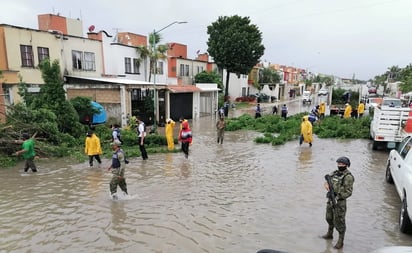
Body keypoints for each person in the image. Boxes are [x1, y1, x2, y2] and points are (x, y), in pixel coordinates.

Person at [321, 156, 354, 249]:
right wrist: (326, 185)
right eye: (339, 164)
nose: (340, 165)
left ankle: (340, 241)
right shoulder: (334, 173)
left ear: (347, 165)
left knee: (339, 221)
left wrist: (337, 197)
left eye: (342, 164)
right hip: (330, 200)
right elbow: (327, 180)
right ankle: (329, 234)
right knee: (329, 218)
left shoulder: (348, 177)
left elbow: (348, 192)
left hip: (340, 203)